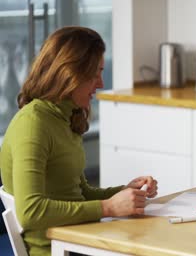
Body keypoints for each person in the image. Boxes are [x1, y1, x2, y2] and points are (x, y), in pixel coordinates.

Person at [0, 26, 158, 255]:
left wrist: (124, 192)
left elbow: (78, 193)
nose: (101, 83)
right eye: (95, 74)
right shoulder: (33, 124)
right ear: (69, 73)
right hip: (58, 249)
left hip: (81, 241)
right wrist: (108, 207)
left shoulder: (65, 117)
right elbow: (30, 211)